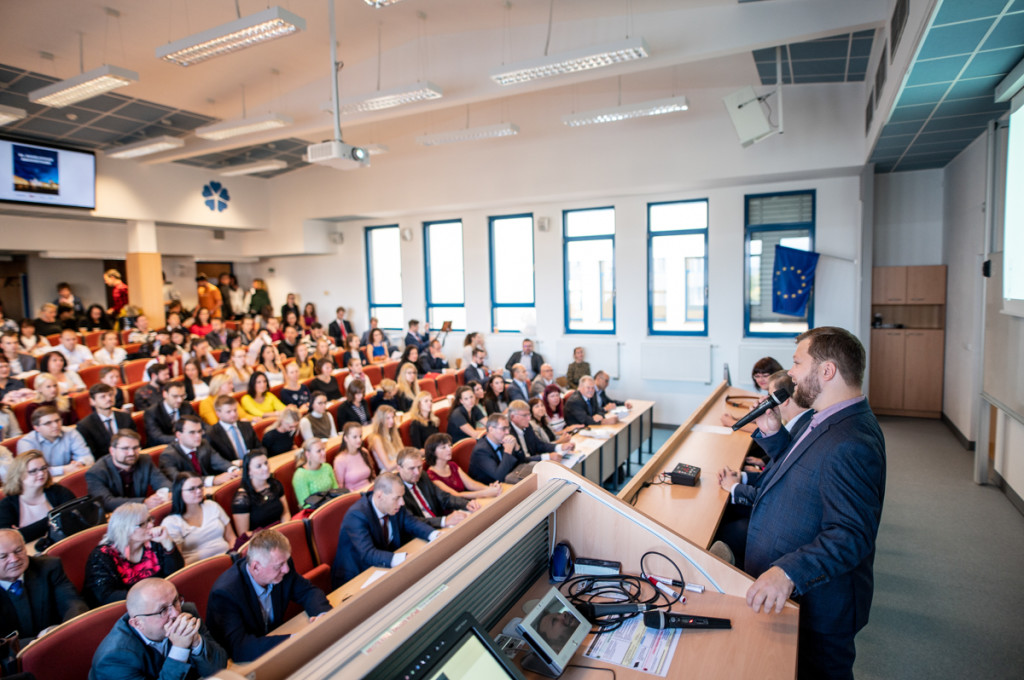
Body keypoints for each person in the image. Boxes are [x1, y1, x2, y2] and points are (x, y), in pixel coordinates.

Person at [742, 327, 886, 680]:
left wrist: (789, 571)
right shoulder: (827, 417)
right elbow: (803, 472)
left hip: (821, 605)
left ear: (827, 371)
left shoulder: (851, 440)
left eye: (797, 363)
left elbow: (851, 534)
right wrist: (775, 436)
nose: (790, 372)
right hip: (800, 600)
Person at [715, 371, 812, 567]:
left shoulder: (803, 429)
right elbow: (774, 474)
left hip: (776, 525)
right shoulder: (799, 424)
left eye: (769, 395)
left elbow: (777, 491)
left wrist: (735, 488)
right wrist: (742, 477)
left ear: (782, 400)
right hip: (772, 510)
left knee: (722, 528)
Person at [207, 528, 331, 662]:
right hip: (246, 664)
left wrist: (323, 615)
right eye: (279, 566)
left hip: (274, 648)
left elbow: (308, 592)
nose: (286, 569)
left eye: (286, 561)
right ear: (256, 567)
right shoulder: (225, 593)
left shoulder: (282, 567)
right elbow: (241, 648)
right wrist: (294, 639)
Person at [89, 577, 227, 680]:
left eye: (175, 601)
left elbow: (218, 669)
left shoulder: (187, 611)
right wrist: (180, 649)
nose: (176, 613)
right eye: (162, 610)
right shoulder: (114, 658)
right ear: (137, 623)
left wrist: (196, 641)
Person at [331, 472, 439, 587]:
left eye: (402, 497)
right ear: (379, 496)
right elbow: (368, 554)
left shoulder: (394, 506)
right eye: (397, 498)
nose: (402, 503)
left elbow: (412, 523)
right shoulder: (356, 515)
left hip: (383, 567)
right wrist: (404, 558)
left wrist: (436, 535)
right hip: (357, 576)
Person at [84, 502, 185, 606]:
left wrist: (167, 542)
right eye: (143, 524)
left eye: (150, 519)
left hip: (162, 604)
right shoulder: (102, 556)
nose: (151, 525)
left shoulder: (154, 543)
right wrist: (152, 596)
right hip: (125, 611)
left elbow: (175, 576)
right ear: (125, 529)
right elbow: (106, 596)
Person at [0, 528, 87, 644]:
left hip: (60, 642)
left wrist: (67, 632)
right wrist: (37, 642)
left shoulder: (48, 568)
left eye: (18, 550)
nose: (14, 559)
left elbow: (74, 605)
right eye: (3, 557)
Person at [86, 430, 173, 511]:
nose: (131, 453)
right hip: (116, 517)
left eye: (135, 448)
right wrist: (143, 502)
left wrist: (168, 493)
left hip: (142, 514)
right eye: (125, 449)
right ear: (112, 450)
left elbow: (162, 481)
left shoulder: (145, 460)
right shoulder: (96, 472)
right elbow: (107, 502)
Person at [161, 472, 236, 565]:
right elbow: (178, 563)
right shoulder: (171, 522)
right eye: (192, 489)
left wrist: (234, 558)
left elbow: (231, 538)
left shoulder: (212, 505)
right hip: (199, 569)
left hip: (227, 560)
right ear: (179, 492)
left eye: (200, 486)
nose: (199, 491)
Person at [0, 451, 76, 541]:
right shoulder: (7, 504)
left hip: (61, 542)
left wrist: (25, 531)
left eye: (43, 468)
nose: (41, 473)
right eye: (33, 471)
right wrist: (53, 520)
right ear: (19, 475)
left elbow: (73, 518)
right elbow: (8, 538)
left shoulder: (58, 491)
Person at [396, 447, 477, 529]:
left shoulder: (423, 476)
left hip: (440, 527)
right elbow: (411, 520)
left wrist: (465, 504)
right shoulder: (395, 490)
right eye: (412, 468)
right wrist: (444, 521)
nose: (417, 472)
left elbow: (444, 497)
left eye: (419, 467)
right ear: (399, 468)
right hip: (421, 532)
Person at [469, 413, 553, 485]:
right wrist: (508, 451)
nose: (507, 432)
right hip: (489, 489)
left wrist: (517, 447)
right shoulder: (481, 451)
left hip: (508, 480)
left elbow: (522, 461)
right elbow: (499, 476)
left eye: (508, 428)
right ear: (491, 429)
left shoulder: (501, 440)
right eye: (503, 429)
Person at [159, 416, 239, 487]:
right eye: (192, 432)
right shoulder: (168, 456)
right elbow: (180, 480)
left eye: (200, 431)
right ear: (179, 435)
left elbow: (219, 462)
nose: (198, 436)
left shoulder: (204, 444)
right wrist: (213, 480)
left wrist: (234, 470)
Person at [17, 406, 93, 476]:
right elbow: (33, 472)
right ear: (37, 428)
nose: (55, 425)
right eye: (48, 423)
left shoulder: (70, 432)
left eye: (57, 420)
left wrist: (80, 463)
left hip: (71, 475)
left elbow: (87, 457)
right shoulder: (26, 442)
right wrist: (64, 469)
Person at [424, 433, 501, 499]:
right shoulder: (431, 475)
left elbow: (471, 484)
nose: (449, 449)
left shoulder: (452, 465)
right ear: (433, 452)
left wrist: (490, 489)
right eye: (444, 447)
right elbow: (455, 496)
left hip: (468, 501)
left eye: (449, 445)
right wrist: (485, 493)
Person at [231, 450, 290, 537]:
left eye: (266, 463)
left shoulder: (275, 484)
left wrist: (286, 529)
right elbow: (244, 534)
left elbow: (285, 513)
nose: (265, 468)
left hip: (282, 533)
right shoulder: (242, 499)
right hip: (261, 540)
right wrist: (273, 535)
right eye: (259, 466)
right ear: (248, 472)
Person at [721, 356, 786, 429]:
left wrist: (731, 423)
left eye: (765, 375)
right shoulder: (770, 394)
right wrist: (737, 419)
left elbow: (765, 428)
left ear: (776, 375)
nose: (761, 380)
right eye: (757, 376)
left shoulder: (780, 397)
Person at [77, 382, 136, 460]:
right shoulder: (85, 425)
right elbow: (93, 453)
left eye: (111, 395)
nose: (108, 398)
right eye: (103, 396)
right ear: (92, 401)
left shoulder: (125, 417)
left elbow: (134, 441)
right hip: (104, 464)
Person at [507, 400, 572, 459]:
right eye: (525, 415)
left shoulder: (527, 426)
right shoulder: (508, 433)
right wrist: (547, 457)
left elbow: (540, 445)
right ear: (513, 417)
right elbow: (521, 460)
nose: (529, 418)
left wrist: (560, 447)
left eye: (529, 415)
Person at [207, 395, 259, 462]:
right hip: (231, 468)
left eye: (235, 410)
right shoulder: (212, 433)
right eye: (228, 412)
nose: (233, 414)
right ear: (218, 414)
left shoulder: (246, 425)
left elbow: (259, 447)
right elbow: (215, 459)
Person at [145, 380, 196, 447]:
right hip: (164, 447)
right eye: (175, 396)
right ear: (165, 394)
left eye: (182, 396)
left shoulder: (186, 406)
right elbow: (157, 436)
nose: (179, 400)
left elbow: (198, 423)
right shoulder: (152, 412)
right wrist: (182, 438)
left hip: (187, 442)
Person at [292, 438, 340, 509]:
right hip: (315, 511)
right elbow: (306, 505)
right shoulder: (300, 476)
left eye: (323, 449)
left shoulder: (327, 467)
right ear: (308, 454)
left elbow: (336, 490)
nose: (323, 453)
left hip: (332, 506)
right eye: (319, 451)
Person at [333, 422, 375, 493]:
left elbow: (373, 475)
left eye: (360, 436)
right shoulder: (340, 460)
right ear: (346, 438)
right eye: (355, 437)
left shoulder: (364, 452)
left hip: (370, 490)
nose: (359, 440)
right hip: (354, 495)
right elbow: (340, 487)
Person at [367, 405, 402, 473]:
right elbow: (388, 466)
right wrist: (404, 458)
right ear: (381, 420)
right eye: (388, 418)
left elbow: (402, 452)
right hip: (388, 474)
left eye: (392, 417)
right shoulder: (376, 438)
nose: (392, 421)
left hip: (399, 468)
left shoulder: (393, 432)